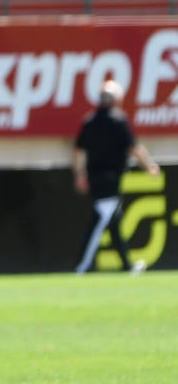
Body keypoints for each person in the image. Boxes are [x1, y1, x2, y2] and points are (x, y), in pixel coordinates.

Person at [73, 79, 160, 274]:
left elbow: (78, 151)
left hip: (97, 179)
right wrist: (149, 166)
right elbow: (134, 148)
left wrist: (80, 174)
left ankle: (127, 265)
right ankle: (81, 266)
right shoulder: (118, 120)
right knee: (98, 224)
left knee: (113, 224)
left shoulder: (90, 120)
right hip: (109, 181)